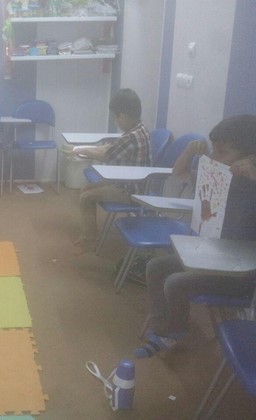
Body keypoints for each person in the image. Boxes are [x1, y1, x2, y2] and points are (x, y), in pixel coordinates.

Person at [135, 114, 256, 358]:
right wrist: (190, 151)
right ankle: (162, 326)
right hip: (214, 256)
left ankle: (173, 333)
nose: (213, 158)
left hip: (241, 274)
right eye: (213, 150)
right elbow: (179, 172)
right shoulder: (220, 177)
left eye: (222, 152)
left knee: (175, 282)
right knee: (156, 266)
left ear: (249, 156)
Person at [66, 88, 151, 253]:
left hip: (131, 190)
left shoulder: (131, 137)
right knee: (87, 189)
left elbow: (106, 155)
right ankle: (90, 233)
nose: (115, 121)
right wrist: (88, 149)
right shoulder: (140, 129)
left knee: (86, 197)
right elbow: (111, 148)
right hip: (127, 181)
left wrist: (82, 150)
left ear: (122, 116)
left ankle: (89, 239)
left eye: (115, 117)